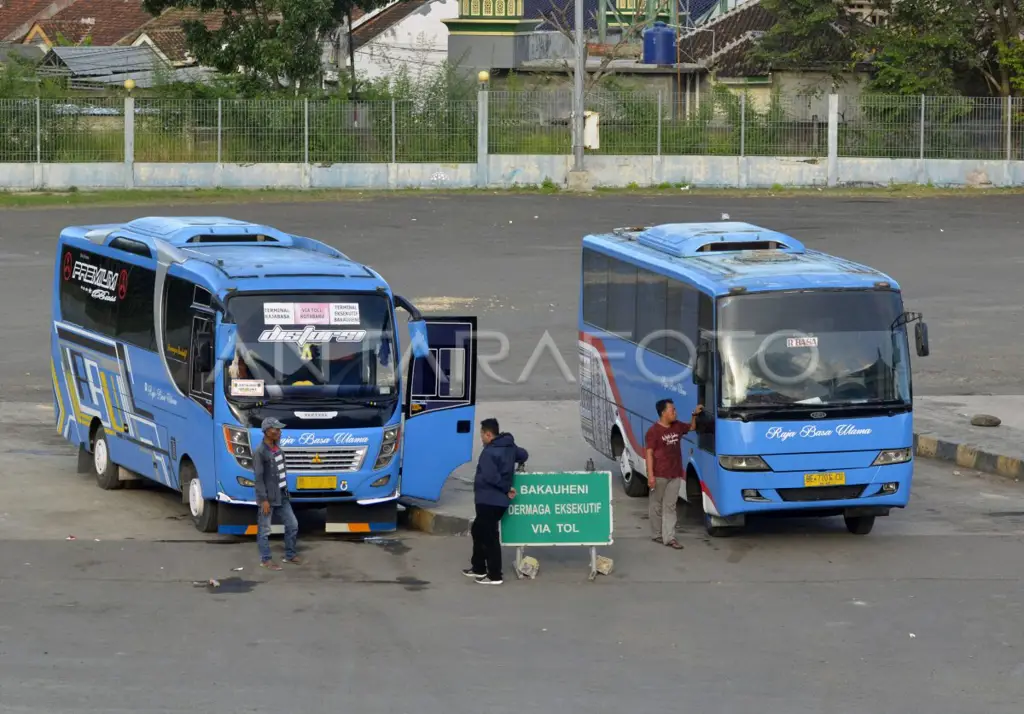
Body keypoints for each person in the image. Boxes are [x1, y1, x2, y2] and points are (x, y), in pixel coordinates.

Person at [463, 418, 528, 585]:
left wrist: (507, 488)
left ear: (488, 434)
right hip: (498, 502)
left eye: (482, 435)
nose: (481, 439)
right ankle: (478, 567)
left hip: (488, 499)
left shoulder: (489, 452)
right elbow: (524, 454)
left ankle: (494, 575)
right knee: (478, 530)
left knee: (489, 536)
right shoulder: (510, 447)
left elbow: (491, 477)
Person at [645, 399, 703, 550]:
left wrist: (694, 415)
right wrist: (650, 476)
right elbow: (649, 454)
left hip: (675, 474)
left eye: (675, 410)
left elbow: (692, 427)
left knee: (670, 506)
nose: (675, 412)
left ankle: (669, 537)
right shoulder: (653, 432)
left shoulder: (677, 426)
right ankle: (657, 534)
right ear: (663, 413)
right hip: (659, 475)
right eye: (672, 410)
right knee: (656, 506)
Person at [253, 417, 302, 570]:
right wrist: (263, 499)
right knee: (264, 530)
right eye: (276, 429)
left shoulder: (277, 448)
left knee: (292, 525)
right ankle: (266, 559)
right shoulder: (260, 452)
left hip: (282, 495)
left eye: (280, 429)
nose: (279, 432)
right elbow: (259, 478)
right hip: (268, 497)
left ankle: (290, 554)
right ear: (268, 431)